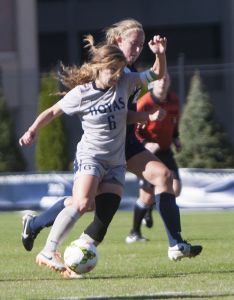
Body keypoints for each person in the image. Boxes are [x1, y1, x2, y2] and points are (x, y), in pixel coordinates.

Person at [21, 19, 202, 271]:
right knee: (84, 202)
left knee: (157, 179)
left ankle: (174, 244)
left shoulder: (126, 76)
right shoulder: (103, 80)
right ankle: (44, 237)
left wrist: (145, 113)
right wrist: (32, 130)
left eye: (141, 44)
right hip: (100, 150)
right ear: (118, 42)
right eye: (134, 43)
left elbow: (127, 106)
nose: (138, 49)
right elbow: (55, 112)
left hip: (122, 146)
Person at [125, 71, 183, 243]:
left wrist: (176, 139)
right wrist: (144, 144)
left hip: (165, 152)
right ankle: (134, 233)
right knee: (147, 197)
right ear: (152, 83)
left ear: (170, 82)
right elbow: (132, 128)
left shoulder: (174, 100)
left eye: (165, 79)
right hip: (146, 155)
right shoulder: (144, 103)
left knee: (176, 189)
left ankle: (155, 215)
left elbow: (174, 122)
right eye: (158, 80)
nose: (162, 83)